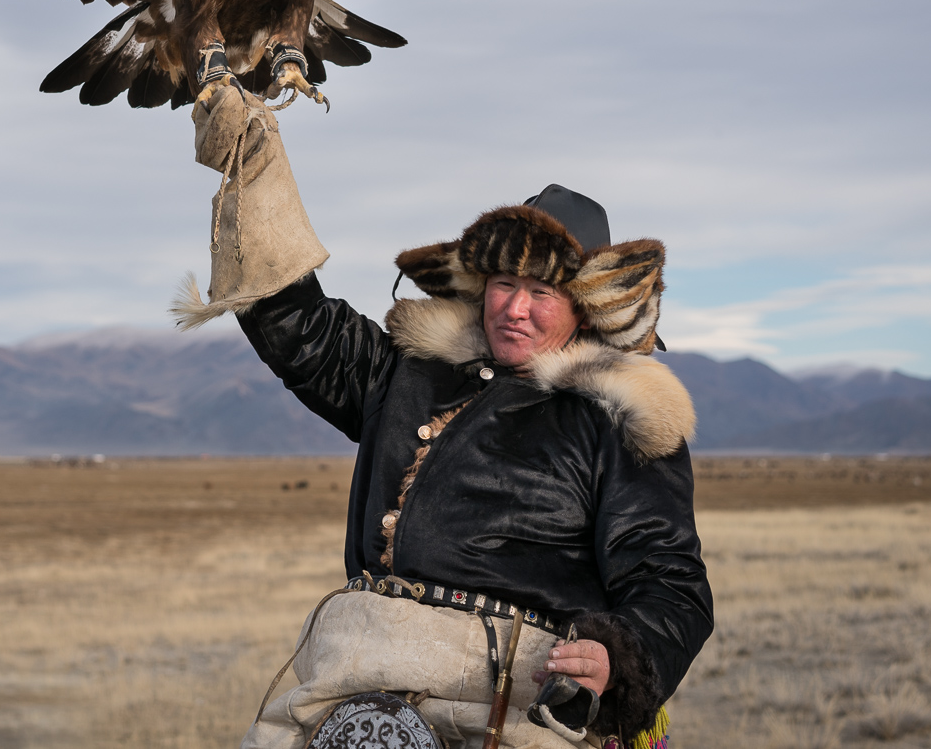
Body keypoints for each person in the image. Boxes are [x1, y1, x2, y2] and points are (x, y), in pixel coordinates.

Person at [175, 89, 710, 749]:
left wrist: (618, 656)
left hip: (517, 703)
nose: (515, 307)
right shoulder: (406, 372)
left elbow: (671, 581)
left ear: (583, 307)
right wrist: (251, 168)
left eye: (541, 292)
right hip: (356, 678)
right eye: (503, 285)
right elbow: (300, 326)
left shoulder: (621, 419)